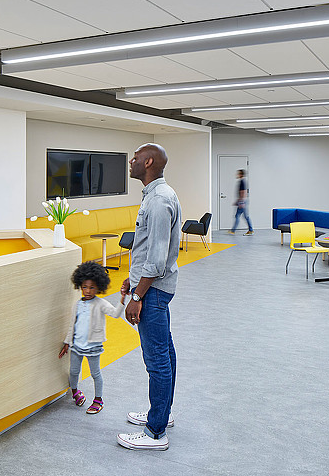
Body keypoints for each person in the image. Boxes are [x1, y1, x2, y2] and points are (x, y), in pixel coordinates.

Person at [117, 143, 181, 451]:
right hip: (152, 288)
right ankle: (161, 414)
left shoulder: (158, 201)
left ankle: (155, 432)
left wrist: (137, 295)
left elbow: (155, 259)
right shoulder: (157, 196)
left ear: (149, 162)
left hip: (153, 292)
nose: (131, 161)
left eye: (136, 157)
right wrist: (131, 283)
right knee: (165, 354)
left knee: (156, 360)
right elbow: (146, 250)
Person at [59, 261, 125, 415]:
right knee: (74, 372)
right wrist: (67, 342)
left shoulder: (101, 303)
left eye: (92, 287)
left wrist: (122, 299)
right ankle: (75, 392)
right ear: (80, 286)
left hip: (93, 346)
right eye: (85, 287)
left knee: (96, 373)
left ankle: (98, 400)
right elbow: (72, 325)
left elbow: (115, 314)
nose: (87, 291)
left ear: (99, 287)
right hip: (76, 345)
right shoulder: (77, 304)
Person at [229, 169, 253, 235]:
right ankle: (233, 230)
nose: (237, 175)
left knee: (241, 216)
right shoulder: (242, 181)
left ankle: (233, 230)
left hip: (243, 201)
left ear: (241, 174)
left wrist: (241, 202)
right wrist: (238, 201)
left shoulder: (242, 181)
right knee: (241, 216)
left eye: (238, 173)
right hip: (242, 201)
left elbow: (244, 192)